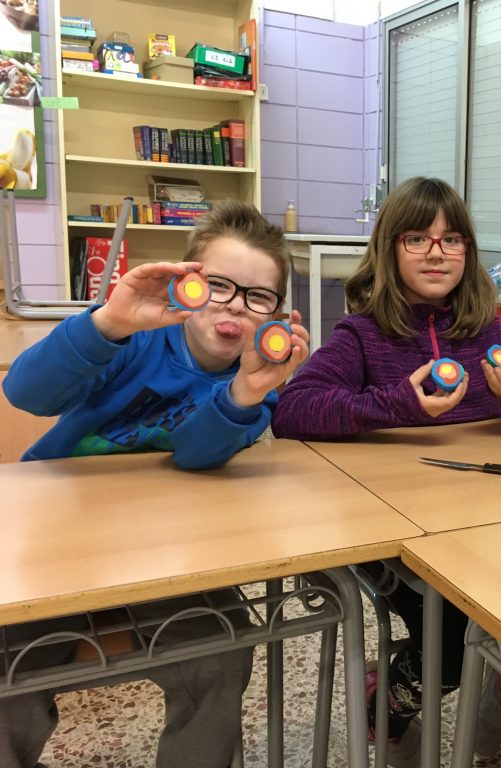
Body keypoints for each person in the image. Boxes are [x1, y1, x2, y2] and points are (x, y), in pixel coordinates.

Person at [271, 176, 501, 767]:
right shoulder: (362, 335)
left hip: (480, 524)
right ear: (390, 248)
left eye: (451, 239)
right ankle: (385, 712)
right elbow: (293, 410)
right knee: (451, 643)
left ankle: (494, 706)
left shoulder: (486, 333)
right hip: (390, 532)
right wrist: (397, 405)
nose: (437, 253)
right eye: (417, 238)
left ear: (467, 251)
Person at [0, 201, 310, 768]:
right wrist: (108, 323)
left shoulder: (255, 386)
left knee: (222, 652)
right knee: (9, 673)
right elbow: (25, 393)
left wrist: (245, 393)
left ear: (276, 313)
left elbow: (195, 454)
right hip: (54, 546)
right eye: (218, 285)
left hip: (169, 557)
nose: (234, 306)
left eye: (257, 296)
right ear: (187, 284)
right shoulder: (136, 338)